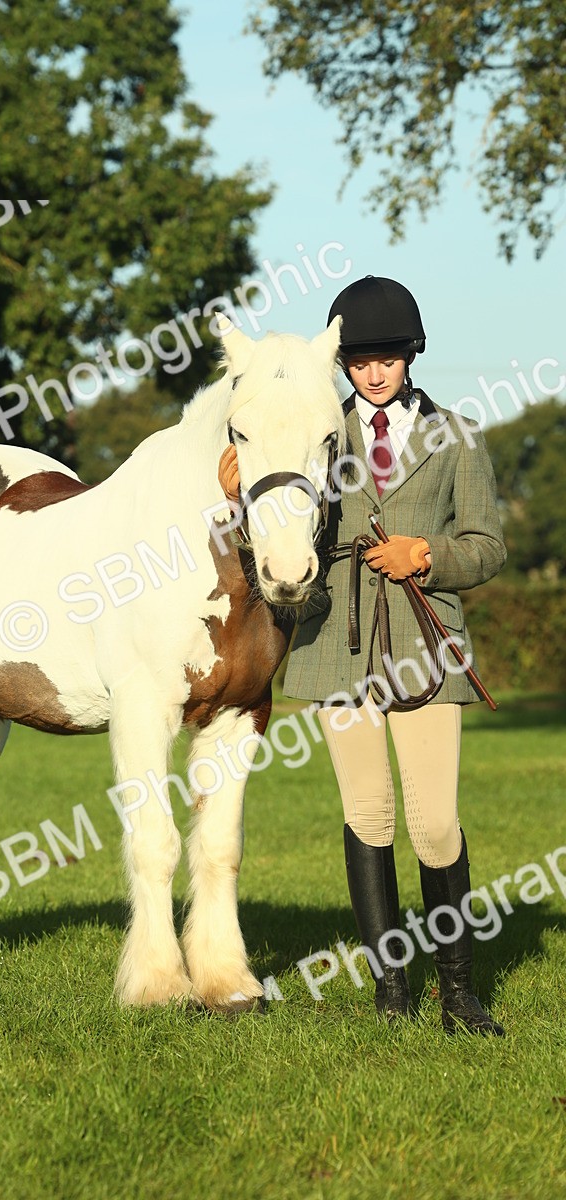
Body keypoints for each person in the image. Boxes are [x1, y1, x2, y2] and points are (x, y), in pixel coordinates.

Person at [219, 276, 506, 1035]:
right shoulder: (318, 428)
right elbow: (277, 507)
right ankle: (391, 988)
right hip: (335, 642)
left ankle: (459, 991)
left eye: (388, 358)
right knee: (368, 815)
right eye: (360, 361)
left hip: (425, 642)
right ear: (342, 364)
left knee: (436, 822)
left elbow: (489, 546)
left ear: (411, 356)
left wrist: (428, 554)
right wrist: (237, 493)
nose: (373, 373)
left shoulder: (459, 436)